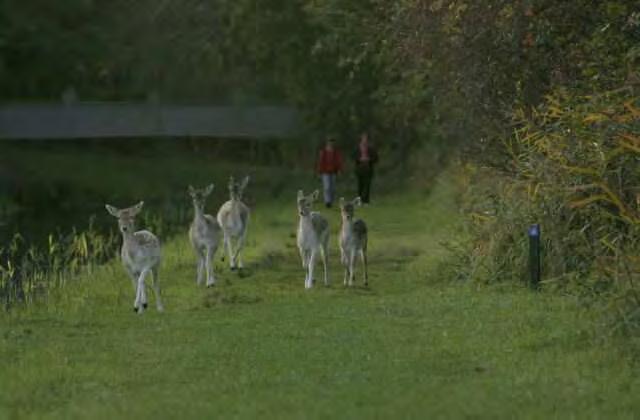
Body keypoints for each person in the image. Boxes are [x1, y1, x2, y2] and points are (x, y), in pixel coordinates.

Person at [352, 131, 378, 204]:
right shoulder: (357, 148)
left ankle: (366, 201)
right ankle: (359, 200)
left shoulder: (371, 148)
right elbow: (354, 157)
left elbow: (376, 158)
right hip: (360, 168)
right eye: (363, 139)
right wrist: (359, 159)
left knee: (367, 185)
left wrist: (369, 159)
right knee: (360, 185)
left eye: (366, 139)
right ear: (361, 139)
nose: (365, 140)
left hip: (368, 168)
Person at [316, 137, 343, 208]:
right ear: (327, 143)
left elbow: (339, 161)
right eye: (330, 142)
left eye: (332, 142)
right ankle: (327, 201)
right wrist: (319, 172)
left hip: (333, 171)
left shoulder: (336, 152)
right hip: (325, 172)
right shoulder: (323, 152)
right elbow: (320, 162)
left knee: (333, 188)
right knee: (327, 187)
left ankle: (331, 201)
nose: (331, 143)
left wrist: (339, 170)